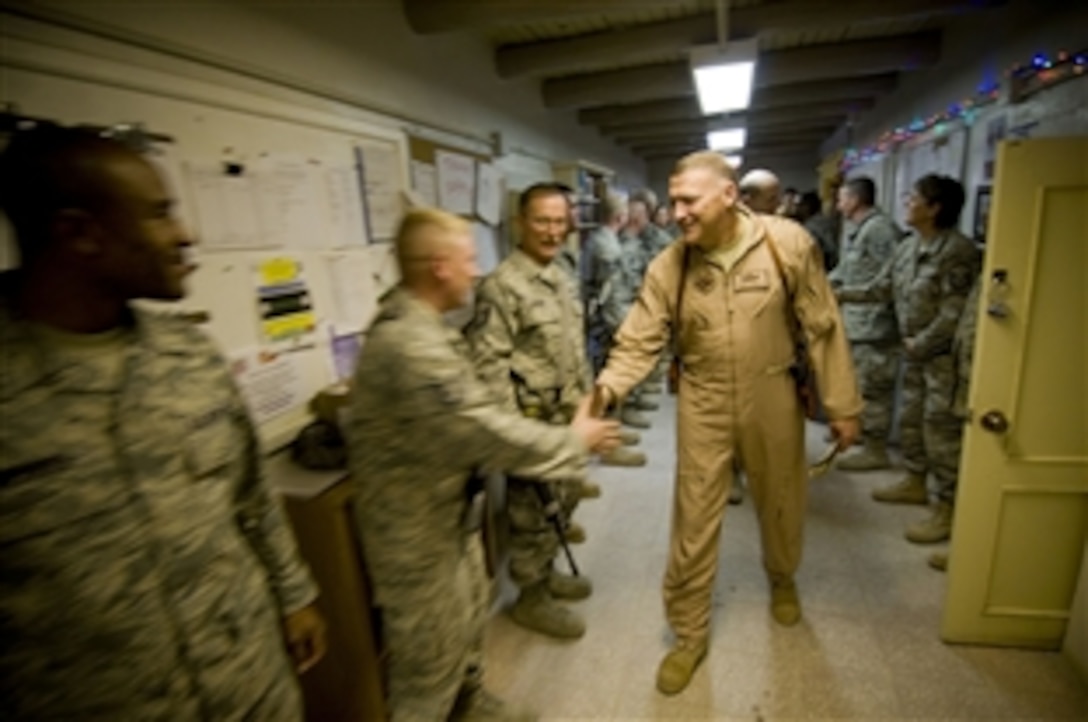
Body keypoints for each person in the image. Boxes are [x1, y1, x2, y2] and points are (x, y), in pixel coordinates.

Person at [0, 125, 326, 719]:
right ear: (79, 233)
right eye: (158, 215)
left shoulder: (188, 354)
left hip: (249, 675)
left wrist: (293, 596)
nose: (184, 235)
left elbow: (251, 493)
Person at [594, 151, 862, 695]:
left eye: (688, 201)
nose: (677, 213)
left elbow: (824, 326)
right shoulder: (671, 264)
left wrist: (842, 404)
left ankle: (782, 577)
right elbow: (639, 337)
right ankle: (689, 633)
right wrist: (606, 390)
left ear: (729, 196)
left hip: (773, 391)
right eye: (673, 201)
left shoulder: (787, 244)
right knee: (694, 516)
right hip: (703, 396)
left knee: (781, 498)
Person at [346, 207, 619, 721]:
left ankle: (469, 705)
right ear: (440, 267)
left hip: (448, 514)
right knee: (427, 664)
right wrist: (572, 441)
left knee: (468, 622)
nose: (476, 270)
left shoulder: (431, 325)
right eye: (468, 259)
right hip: (414, 535)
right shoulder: (410, 343)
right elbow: (481, 427)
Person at [465, 184, 610, 640]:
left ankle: (547, 574)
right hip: (532, 426)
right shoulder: (502, 286)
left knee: (562, 506)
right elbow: (489, 371)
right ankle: (530, 597)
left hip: (570, 422)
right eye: (541, 221)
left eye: (559, 221)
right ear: (521, 224)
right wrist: (515, 441)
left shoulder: (562, 272)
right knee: (532, 513)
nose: (552, 230)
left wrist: (589, 402)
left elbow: (574, 347)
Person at [836, 174, 981, 544]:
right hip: (914, 351)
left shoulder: (957, 252)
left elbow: (955, 312)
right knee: (912, 419)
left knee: (941, 431)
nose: (906, 202)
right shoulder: (909, 247)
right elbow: (880, 288)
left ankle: (947, 509)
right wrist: (836, 294)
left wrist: (924, 343)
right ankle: (915, 481)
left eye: (913, 197)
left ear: (935, 208)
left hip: (943, 360)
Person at [829, 176, 904, 471]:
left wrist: (844, 293)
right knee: (860, 385)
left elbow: (891, 278)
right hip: (858, 323)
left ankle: (876, 450)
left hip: (875, 324)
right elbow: (846, 271)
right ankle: (860, 434)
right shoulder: (860, 231)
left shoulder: (880, 230)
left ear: (855, 200)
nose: (838, 204)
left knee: (875, 390)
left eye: (841, 198)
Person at [928, 271, 983, 572]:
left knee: (975, 462)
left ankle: (971, 545)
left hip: (985, 379)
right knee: (945, 443)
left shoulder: (961, 254)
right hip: (965, 371)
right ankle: (952, 520)